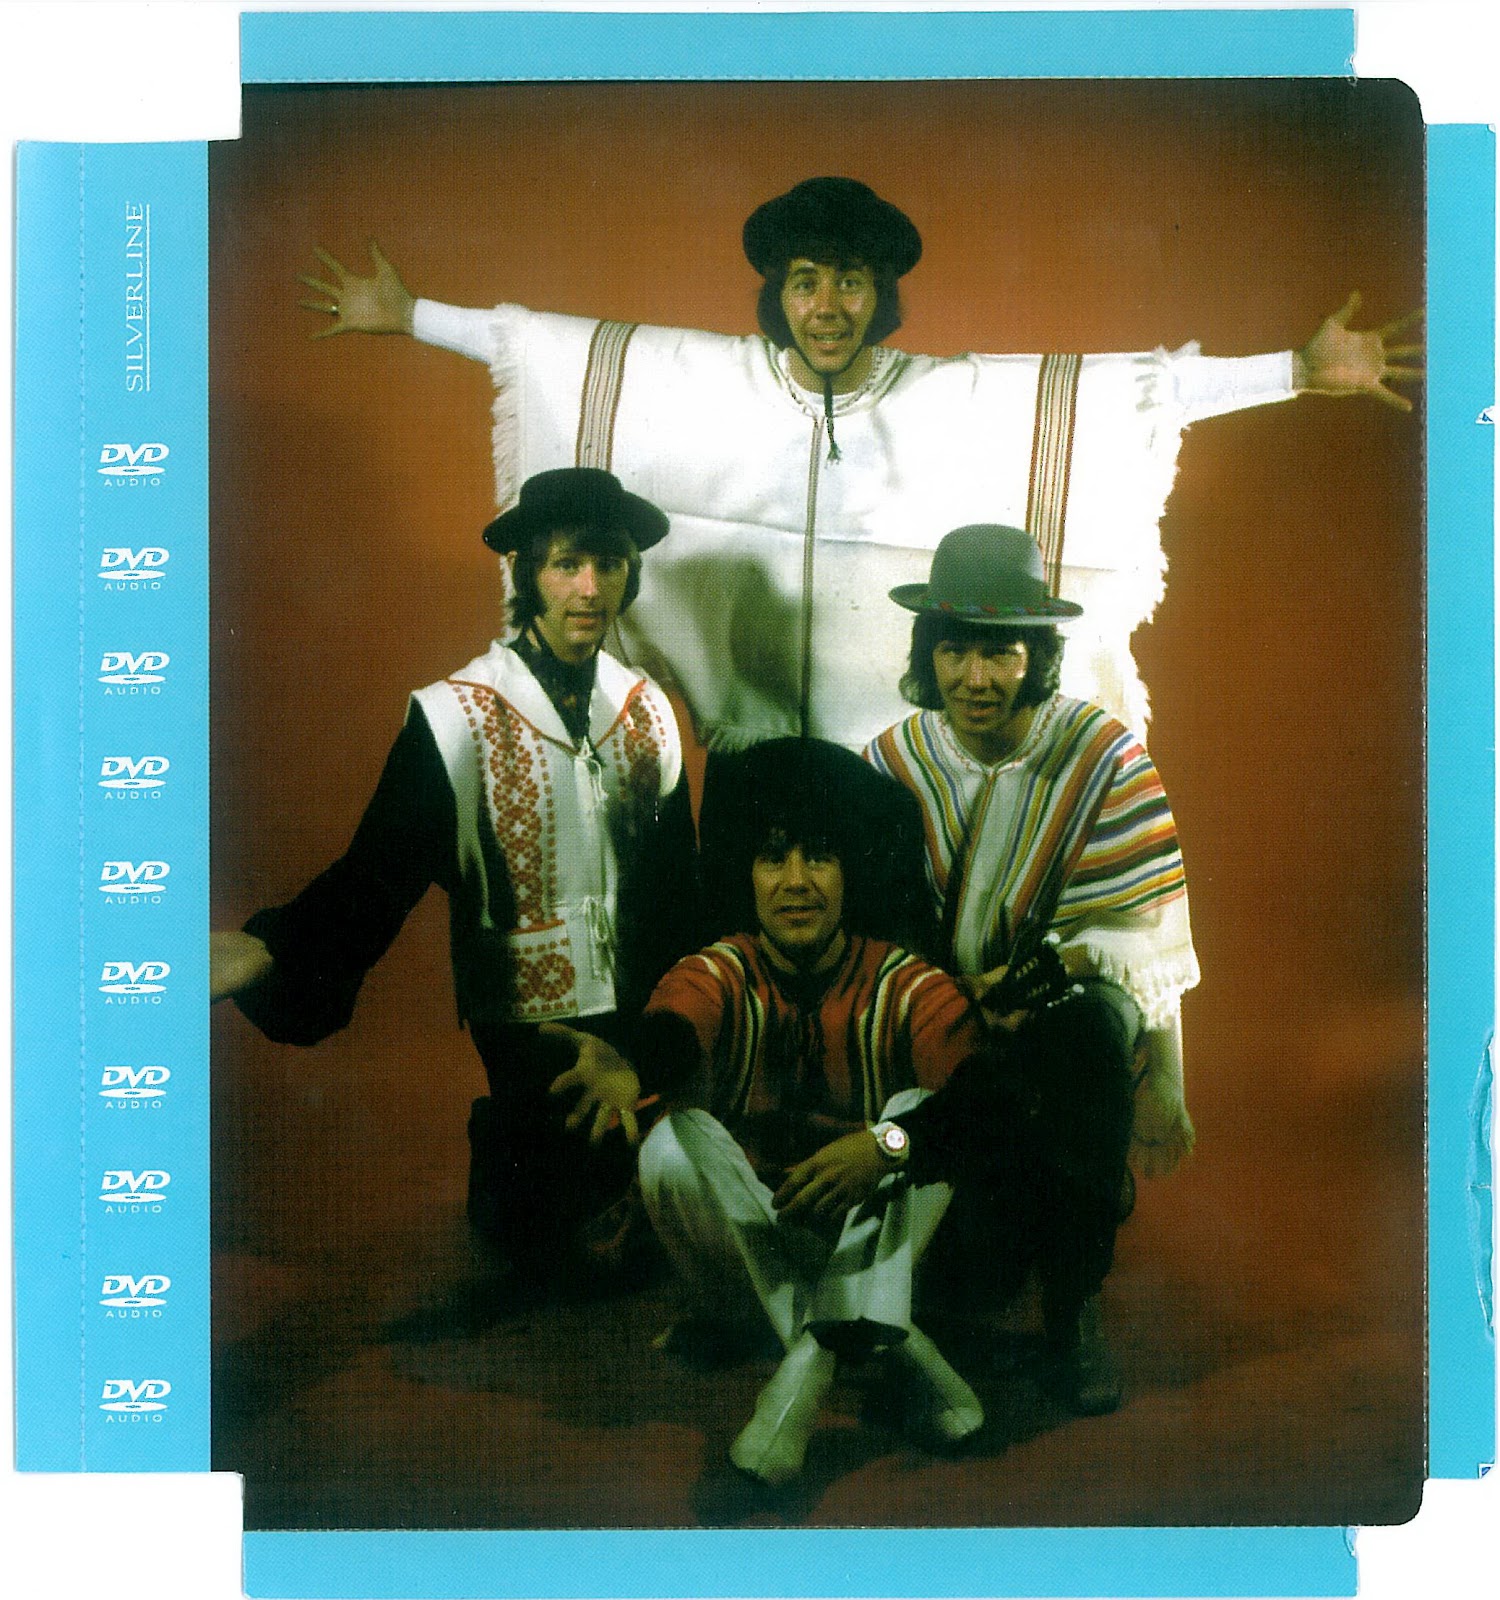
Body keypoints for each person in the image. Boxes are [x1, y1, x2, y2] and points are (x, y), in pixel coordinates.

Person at [297, 175, 1421, 748]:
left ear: (879, 295)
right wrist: (412, 315)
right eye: (804, 281)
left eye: (848, 280)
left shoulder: (946, 395)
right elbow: (562, 347)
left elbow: (1125, 390)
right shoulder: (712, 382)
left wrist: (1295, 370)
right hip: (753, 762)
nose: (826, 305)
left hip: (902, 761)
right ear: (777, 295)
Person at [210, 467, 697, 1288]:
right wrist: (274, 951)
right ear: (526, 572)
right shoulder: (456, 715)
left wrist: (667, 1039)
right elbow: (377, 875)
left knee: (649, 1225)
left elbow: (680, 894)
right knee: (553, 1249)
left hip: (636, 1012)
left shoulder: (647, 709)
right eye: (567, 563)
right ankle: (514, 1156)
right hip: (530, 1019)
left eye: (609, 564)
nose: (590, 588)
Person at [864, 523, 1201, 1413]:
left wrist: (1168, 1079)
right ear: (928, 653)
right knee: (966, 1277)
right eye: (955, 651)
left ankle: (1073, 1307)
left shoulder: (1102, 754)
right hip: (939, 1013)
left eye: (1000, 652)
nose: (975, 678)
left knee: (1088, 1031)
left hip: (1063, 1010)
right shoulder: (894, 763)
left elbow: (1149, 938)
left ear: (1037, 656)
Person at [615, 739, 989, 1487]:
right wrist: (627, 1063)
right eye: (772, 858)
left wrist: (885, 1145)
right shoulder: (719, 969)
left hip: (869, 1242)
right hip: (748, 1244)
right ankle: (878, 1337)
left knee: (921, 1115)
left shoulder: (903, 980)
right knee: (672, 1142)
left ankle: (801, 1376)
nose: (795, 882)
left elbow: (985, 1098)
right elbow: (673, 1033)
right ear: (744, 873)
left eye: (819, 856)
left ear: (852, 871)